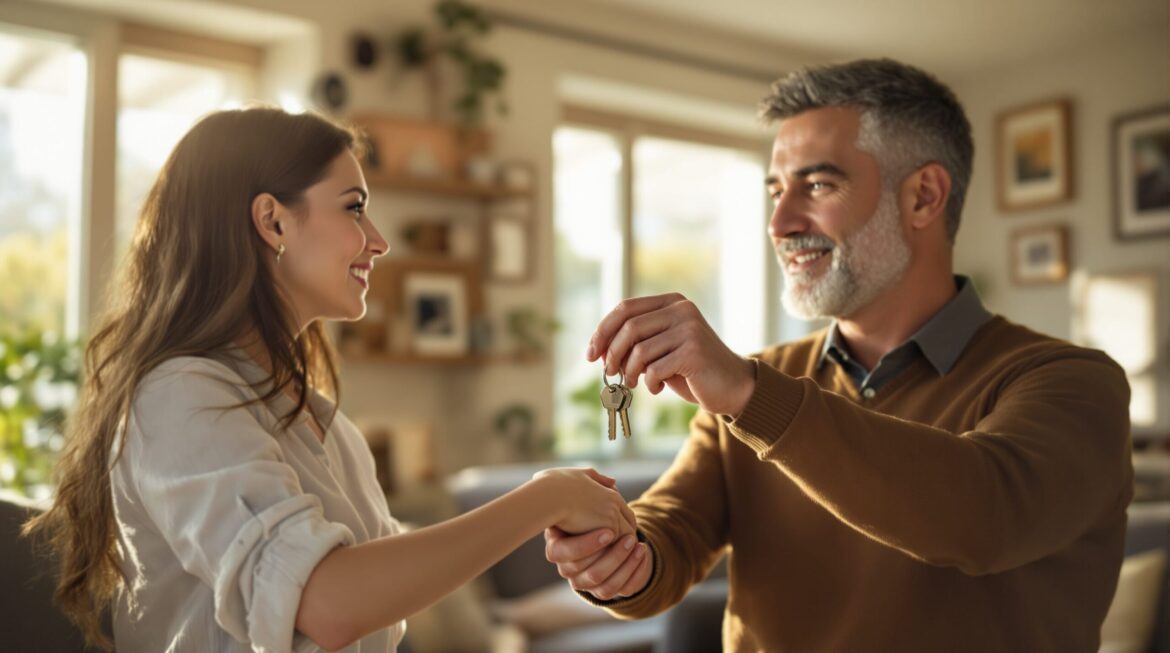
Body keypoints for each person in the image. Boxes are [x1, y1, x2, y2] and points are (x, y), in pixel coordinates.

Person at [545, 59, 1133, 651]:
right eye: (776, 190)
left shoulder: (1073, 383)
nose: (779, 221)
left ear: (923, 197)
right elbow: (673, 535)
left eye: (818, 185)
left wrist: (751, 396)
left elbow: (987, 515)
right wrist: (618, 557)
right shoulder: (755, 387)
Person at [25, 107, 636, 653]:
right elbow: (325, 604)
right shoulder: (178, 396)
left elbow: (383, 587)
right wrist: (543, 498)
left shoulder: (322, 422)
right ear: (273, 222)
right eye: (355, 207)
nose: (379, 241)